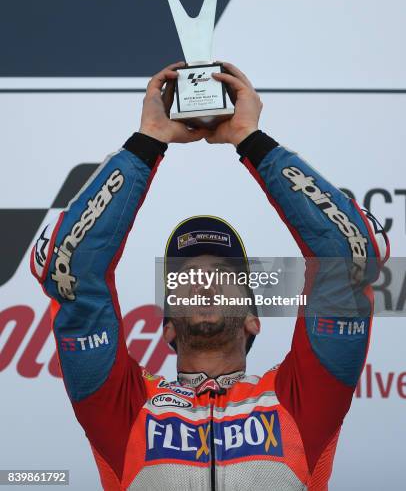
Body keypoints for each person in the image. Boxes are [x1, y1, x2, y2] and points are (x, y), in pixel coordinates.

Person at [31, 62, 389, 490]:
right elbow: (67, 268)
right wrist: (148, 141)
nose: (202, 281)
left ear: (255, 318)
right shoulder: (125, 408)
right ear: (165, 325)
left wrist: (251, 140)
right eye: (183, 277)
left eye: (224, 274)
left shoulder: (304, 397)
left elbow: (352, 255)